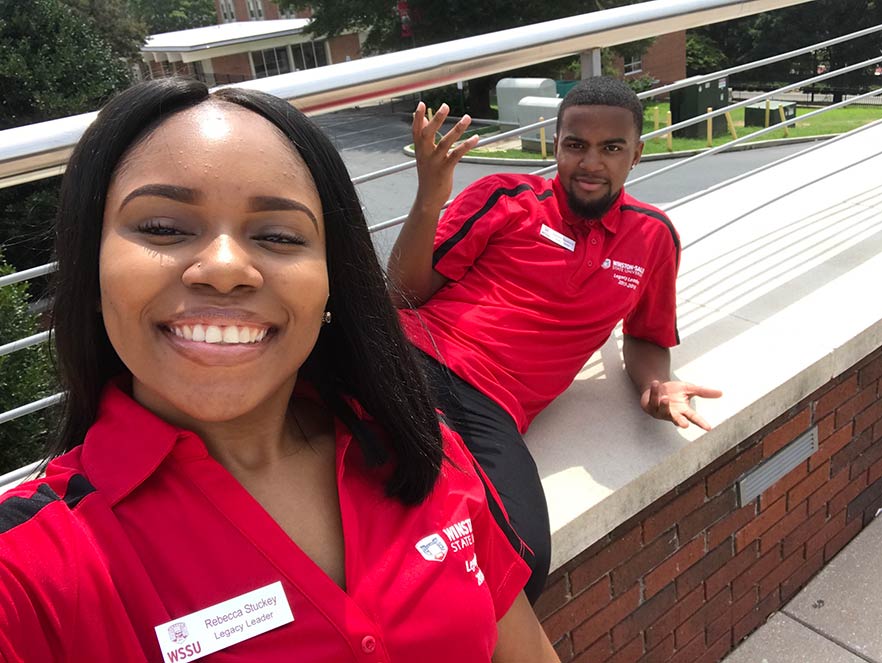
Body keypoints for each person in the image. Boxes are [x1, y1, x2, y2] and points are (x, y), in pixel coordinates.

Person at [0, 78, 559, 662]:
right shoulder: (32, 570)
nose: (224, 268)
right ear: (91, 271)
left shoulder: (417, 447)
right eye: (162, 228)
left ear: (331, 283)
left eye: (277, 235)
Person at [388, 76, 722, 603]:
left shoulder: (653, 236)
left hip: (492, 408)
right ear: (557, 145)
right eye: (576, 145)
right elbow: (402, 295)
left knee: (524, 557)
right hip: (416, 356)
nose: (591, 163)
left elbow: (646, 335)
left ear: (636, 154)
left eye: (611, 148)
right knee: (380, 489)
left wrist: (658, 384)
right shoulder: (506, 197)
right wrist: (429, 200)